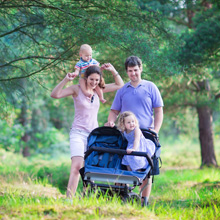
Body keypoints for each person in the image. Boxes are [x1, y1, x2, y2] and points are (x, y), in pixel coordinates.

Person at [51, 64, 124, 198]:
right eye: (91, 79)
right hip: (78, 133)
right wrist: (66, 80)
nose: (94, 82)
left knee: (90, 167)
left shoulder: (98, 90)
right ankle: (69, 199)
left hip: (93, 135)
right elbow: (55, 95)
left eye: (97, 80)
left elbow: (119, 84)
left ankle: (86, 197)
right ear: (85, 78)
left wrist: (113, 70)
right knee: (77, 166)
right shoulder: (76, 89)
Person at [105, 56, 163, 206]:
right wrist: (111, 121)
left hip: (147, 134)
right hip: (126, 136)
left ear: (141, 69)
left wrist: (155, 130)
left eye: (135, 70)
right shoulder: (123, 90)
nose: (133, 74)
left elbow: (158, 111)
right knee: (122, 165)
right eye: (130, 71)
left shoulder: (151, 87)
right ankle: (122, 196)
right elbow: (114, 111)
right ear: (127, 72)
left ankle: (144, 201)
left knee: (146, 169)